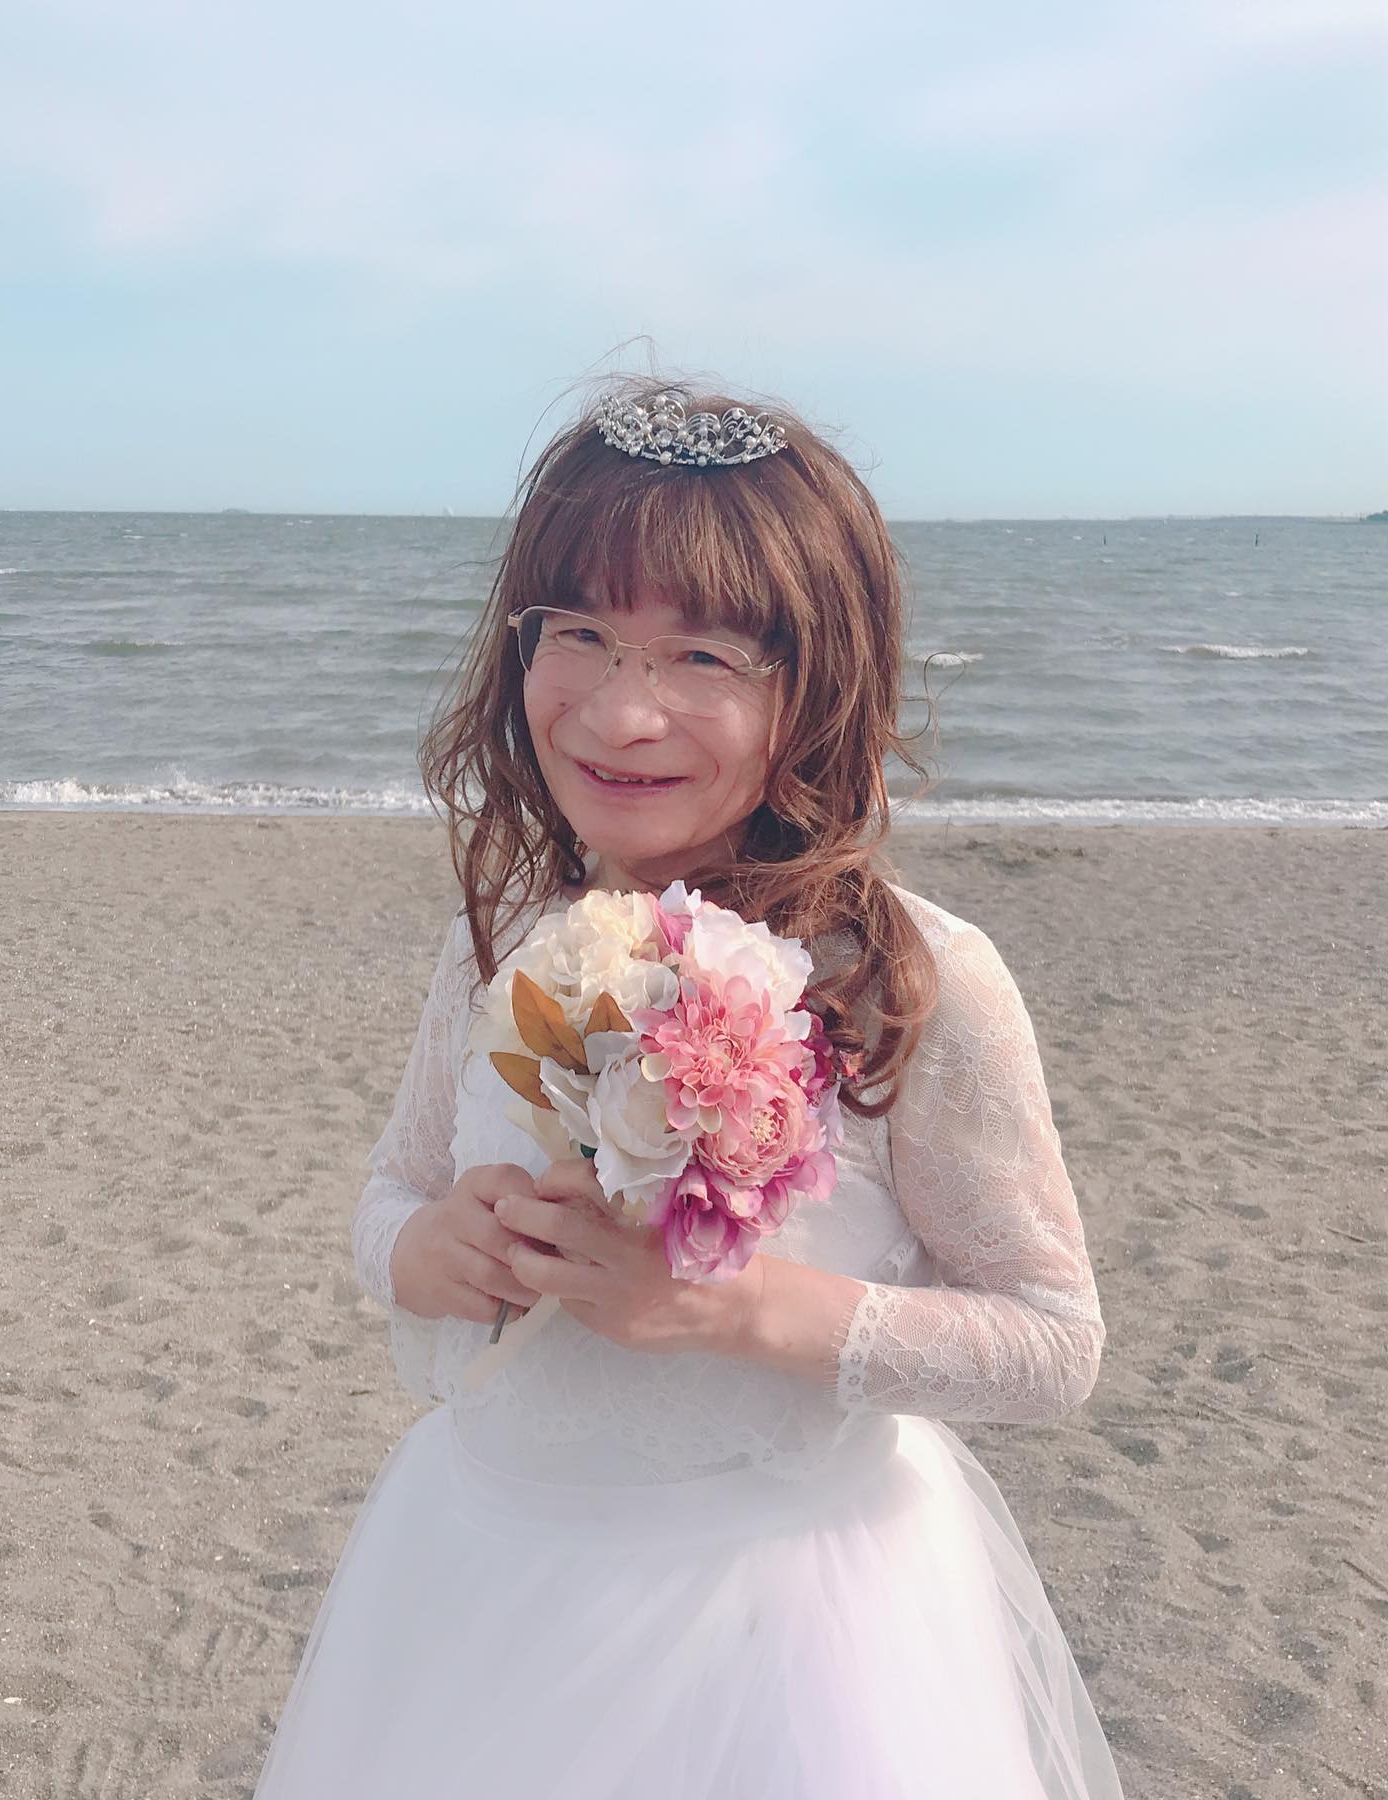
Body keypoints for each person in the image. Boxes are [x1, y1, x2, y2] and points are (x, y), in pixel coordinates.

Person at [251, 379, 1127, 1798]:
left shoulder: (908, 979)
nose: (619, 709)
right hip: (481, 1584)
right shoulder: (499, 943)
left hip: (789, 1626)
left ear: (817, 685)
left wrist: (731, 1307)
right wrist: (426, 1251)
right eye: (578, 633)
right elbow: (391, 1192)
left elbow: (1048, 1341)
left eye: (703, 654)